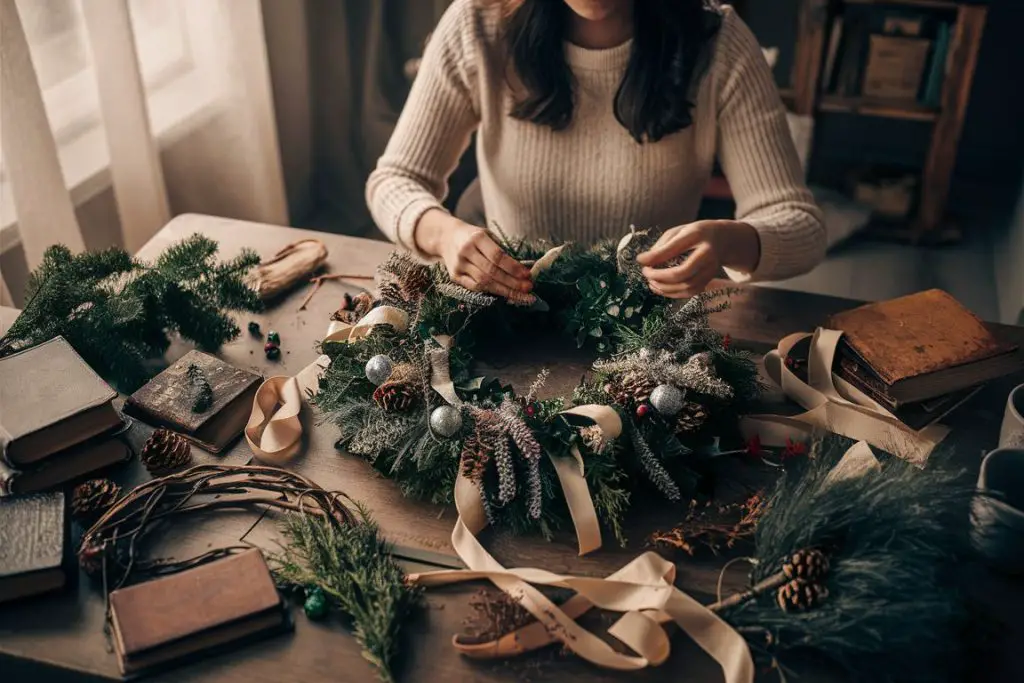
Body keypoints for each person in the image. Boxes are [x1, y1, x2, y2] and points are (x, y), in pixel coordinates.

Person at [366, 0, 826, 301]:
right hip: (507, 313)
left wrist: (729, 242)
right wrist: (443, 235)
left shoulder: (719, 43)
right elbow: (395, 180)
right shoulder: (476, 25)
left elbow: (800, 226)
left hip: (649, 342)